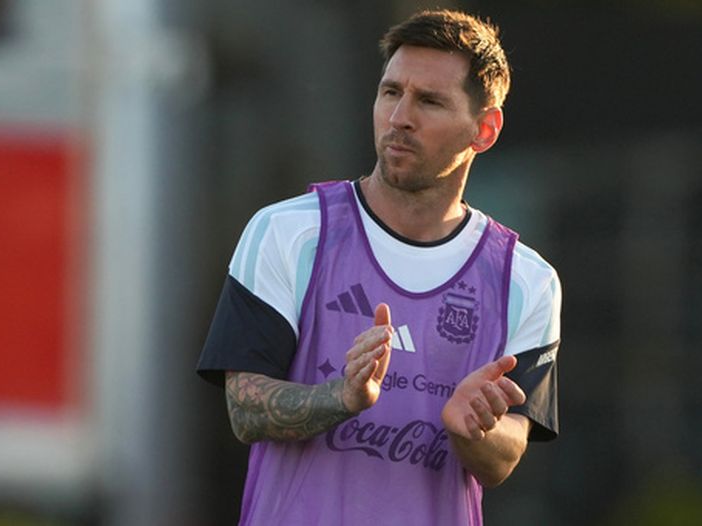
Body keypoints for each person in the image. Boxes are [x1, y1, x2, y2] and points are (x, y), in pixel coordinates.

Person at [197, 8, 561, 525]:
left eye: (429, 101)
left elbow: (507, 454)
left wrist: (472, 430)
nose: (399, 118)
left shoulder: (525, 281)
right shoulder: (289, 233)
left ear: (484, 129)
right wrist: (340, 398)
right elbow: (245, 408)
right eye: (391, 93)